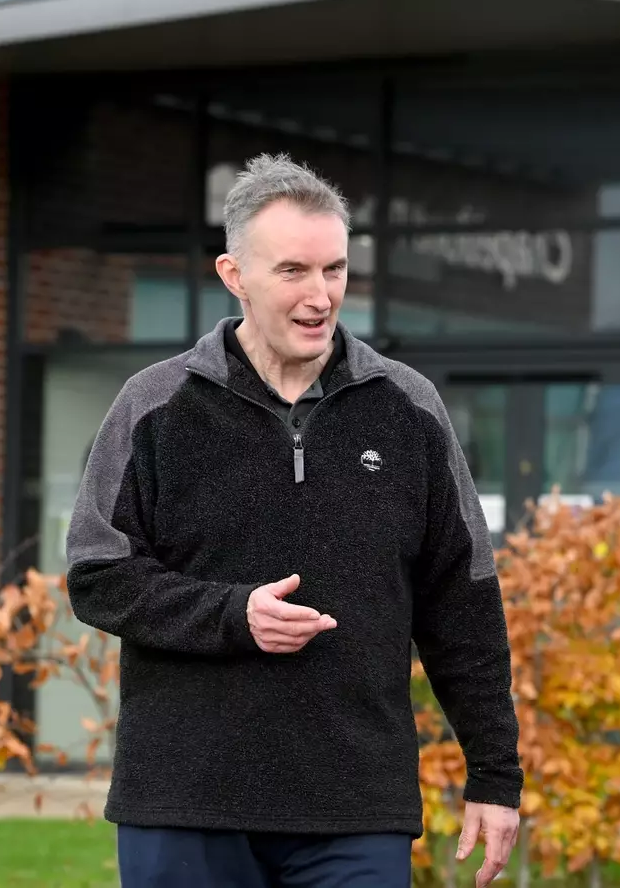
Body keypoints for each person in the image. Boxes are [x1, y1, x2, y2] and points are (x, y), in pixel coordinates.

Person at [65, 153, 523, 888]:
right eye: (293, 272)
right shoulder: (153, 407)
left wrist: (496, 776)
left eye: (335, 270)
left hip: (355, 807)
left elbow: (462, 603)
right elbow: (98, 576)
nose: (320, 296)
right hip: (187, 801)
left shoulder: (407, 408)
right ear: (234, 274)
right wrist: (231, 615)